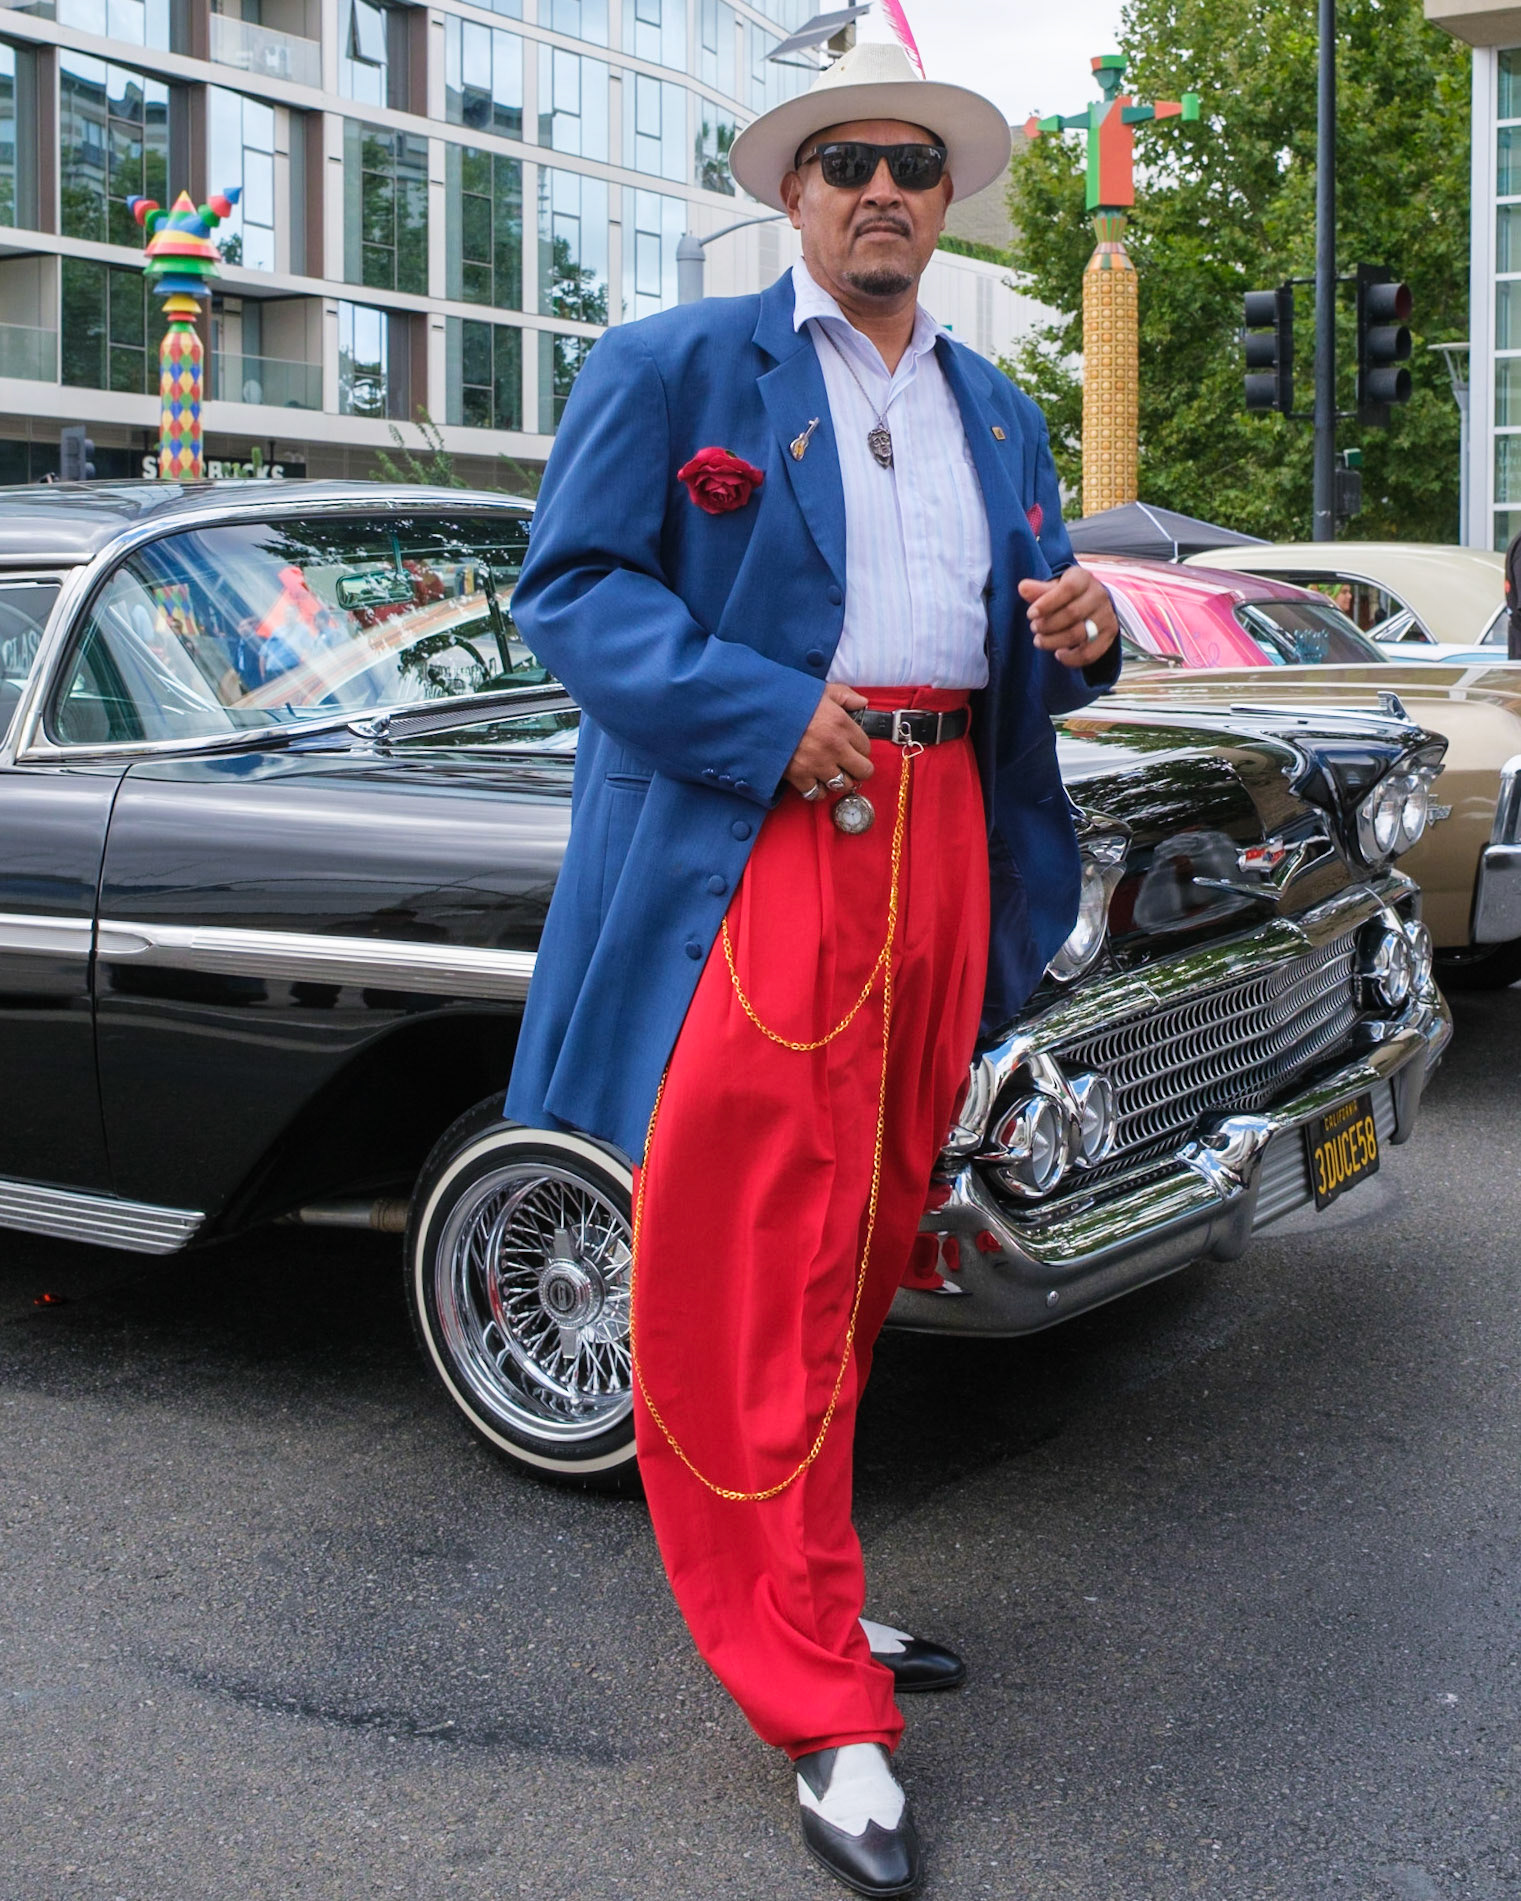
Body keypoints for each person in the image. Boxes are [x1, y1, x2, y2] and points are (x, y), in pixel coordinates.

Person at [506, 38, 1121, 1898]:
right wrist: (763, 714)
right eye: (846, 161)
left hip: (945, 844)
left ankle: (815, 1592)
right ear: (793, 191)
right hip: (775, 836)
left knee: (856, 1257)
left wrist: (1085, 634)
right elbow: (570, 590)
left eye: (911, 166)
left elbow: (1024, 634)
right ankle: (806, 1692)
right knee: (741, 1266)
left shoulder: (996, 406)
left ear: (943, 202)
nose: (881, 190)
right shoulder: (674, 366)